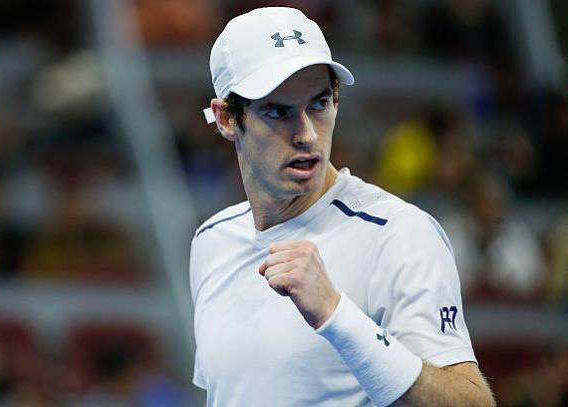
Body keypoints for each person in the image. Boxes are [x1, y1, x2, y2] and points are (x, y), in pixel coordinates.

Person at [190, 7, 494, 406]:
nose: (306, 134)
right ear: (227, 118)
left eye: (319, 104)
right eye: (278, 111)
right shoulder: (211, 241)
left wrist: (337, 316)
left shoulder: (398, 233)